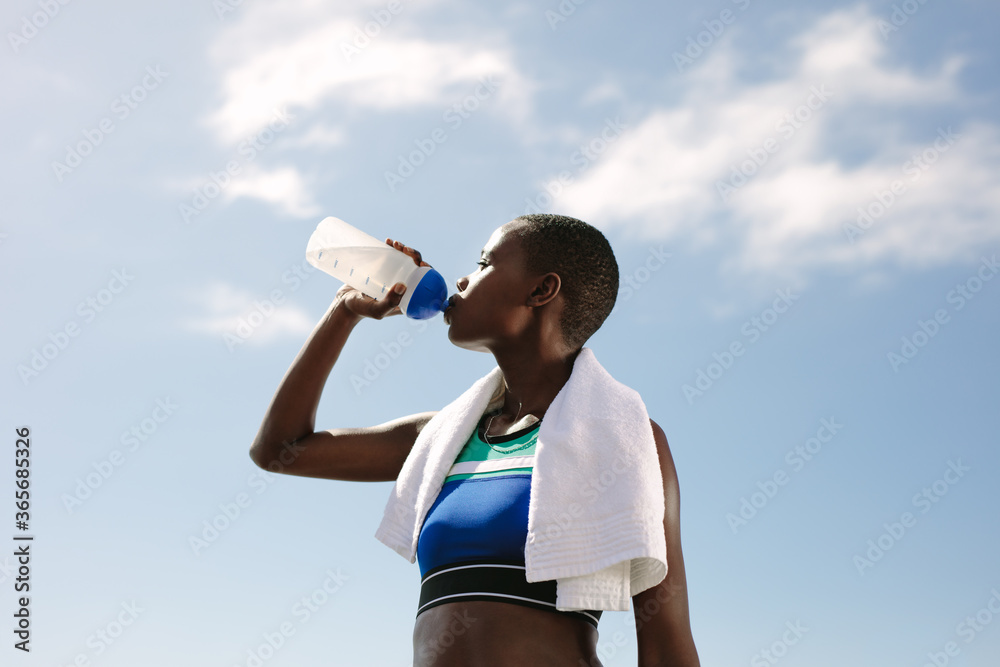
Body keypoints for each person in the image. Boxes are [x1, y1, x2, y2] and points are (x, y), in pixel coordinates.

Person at [249, 214, 700, 666]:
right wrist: (344, 311)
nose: (463, 279)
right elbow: (279, 450)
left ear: (541, 291)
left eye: (484, 263)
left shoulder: (622, 439)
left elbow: (664, 639)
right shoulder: (443, 438)